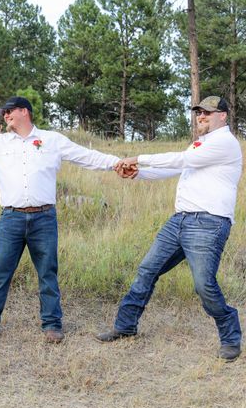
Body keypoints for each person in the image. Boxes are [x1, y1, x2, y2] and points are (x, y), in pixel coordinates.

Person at [0, 97, 121, 343]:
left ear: (24, 112)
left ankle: (52, 325)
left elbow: (87, 156)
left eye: (9, 111)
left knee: (48, 271)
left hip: (44, 217)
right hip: (11, 218)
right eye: (3, 113)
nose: (5, 116)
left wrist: (117, 163)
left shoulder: (53, 140)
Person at [97, 96, 242, 362]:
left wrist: (137, 158)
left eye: (208, 113)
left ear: (223, 116)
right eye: (199, 112)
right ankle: (125, 326)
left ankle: (231, 338)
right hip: (180, 221)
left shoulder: (224, 142)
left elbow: (179, 160)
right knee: (147, 270)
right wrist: (138, 174)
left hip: (208, 223)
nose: (201, 117)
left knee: (204, 285)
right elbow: (179, 170)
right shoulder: (202, 143)